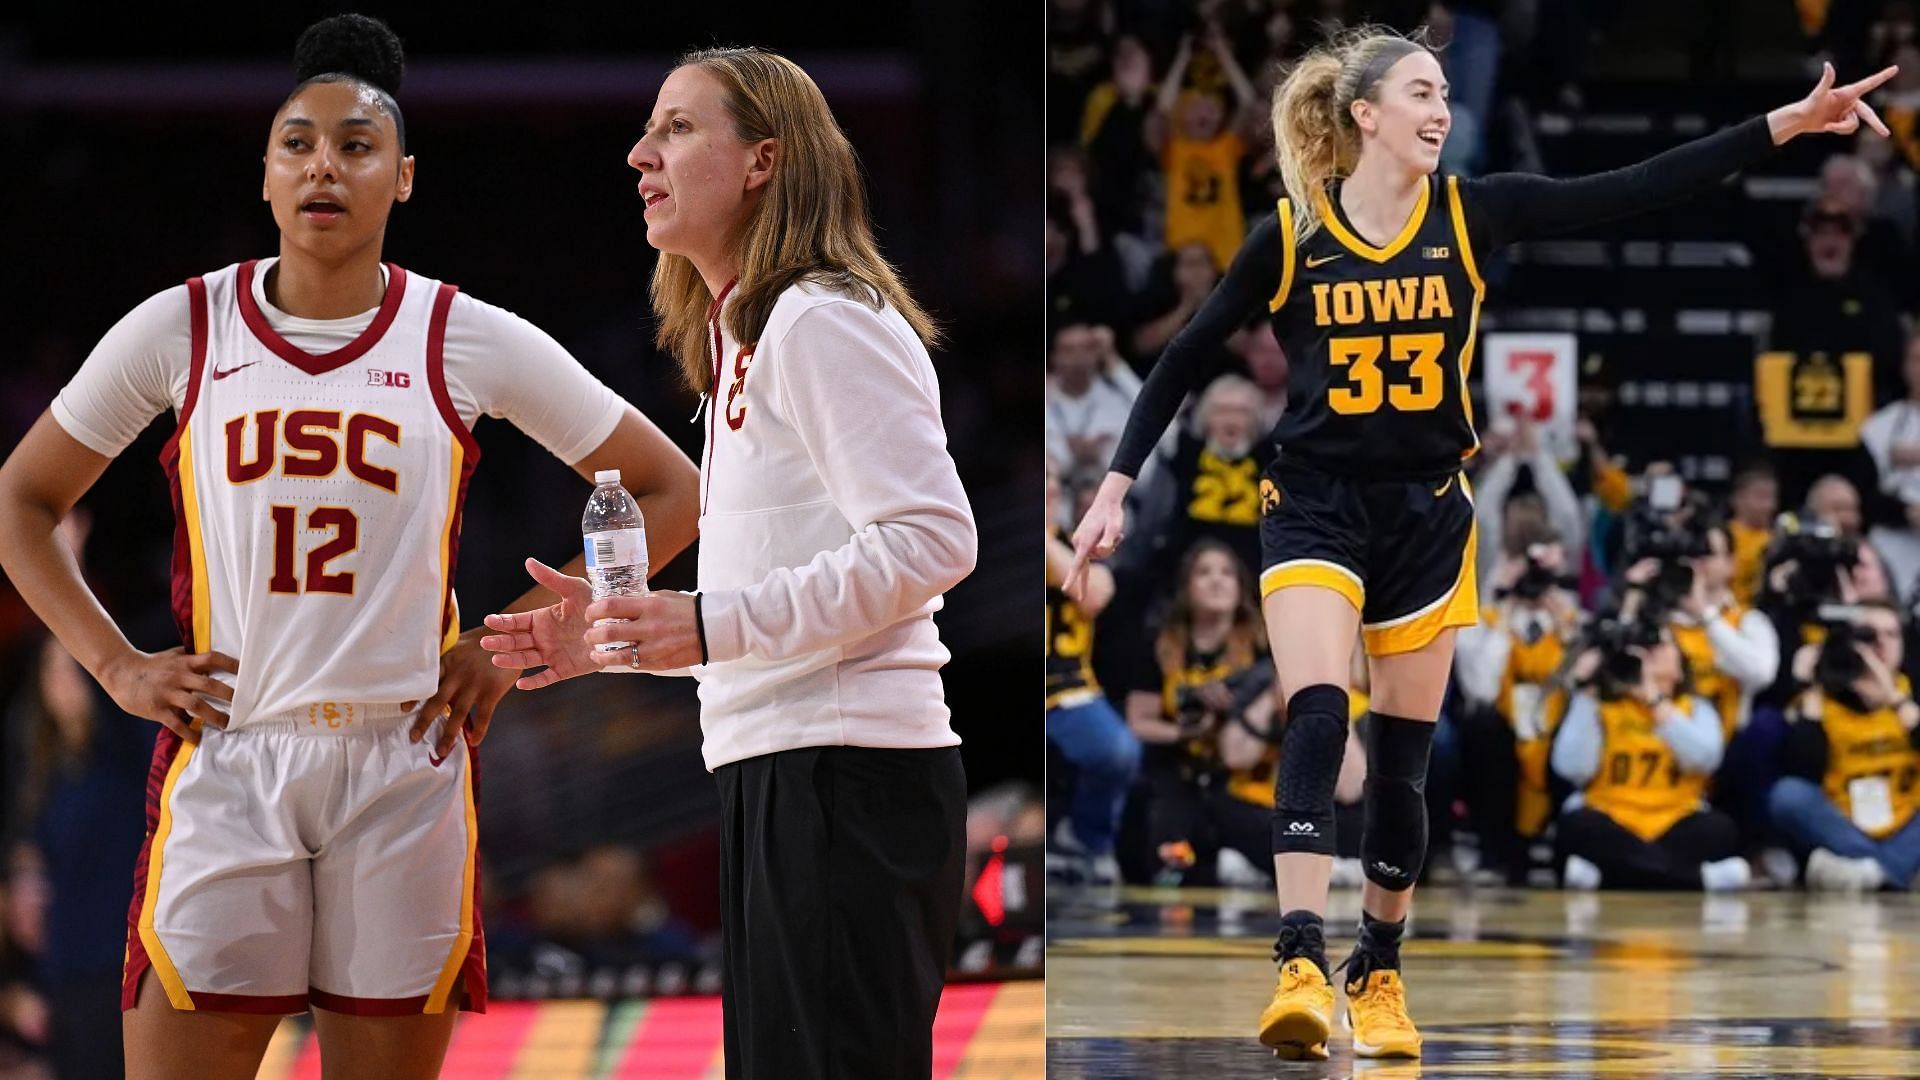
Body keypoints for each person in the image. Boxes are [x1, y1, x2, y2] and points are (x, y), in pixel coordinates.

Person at [1066, 23, 1896, 1060]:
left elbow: (1634, 184)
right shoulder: (1291, 234)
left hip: (1428, 511)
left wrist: (1787, 123)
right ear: (1364, 114)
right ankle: (1296, 958)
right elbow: (1185, 358)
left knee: (1407, 770)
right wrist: (1113, 488)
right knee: (1320, 712)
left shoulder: (1474, 211)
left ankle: (1380, 970)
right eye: (1420, 91)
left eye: (1447, 93)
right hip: (1316, 501)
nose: (1442, 108)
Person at [0, 16, 700, 1080]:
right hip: (234, 750)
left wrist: (521, 641)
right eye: (299, 143)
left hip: (401, 758)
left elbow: (671, 487)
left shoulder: (463, 333)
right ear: (268, 175)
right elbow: (23, 501)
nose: (325, 163)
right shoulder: (181, 328)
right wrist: (116, 665)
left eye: (358, 144)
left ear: (404, 178)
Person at [477, 47, 977, 1080]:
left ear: (762, 160)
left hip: (850, 779)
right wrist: (632, 639)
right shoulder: (742, 336)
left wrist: (708, 623)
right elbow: (769, 601)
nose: (639, 154)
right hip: (786, 771)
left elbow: (936, 539)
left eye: (675, 128)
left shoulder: (822, 316)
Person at [1550, 625, 1748, 892]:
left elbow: (1705, 759)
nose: (1649, 654)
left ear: (1680, 666)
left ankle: (1609, 876)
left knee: (1720, 830)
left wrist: (1654, 701)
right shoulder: (1602, 706)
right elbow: (1571, 767)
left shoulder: (1695, 708)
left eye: (1660, 645)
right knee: (1575, 825)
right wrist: (1586, 691)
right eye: (1641, 648)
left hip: (1675, 817)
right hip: (1612, 815)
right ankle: (1697, 880)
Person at [1770, 599, 1920, 890]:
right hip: (1844, 824)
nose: (1880, 644)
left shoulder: (1910, 690)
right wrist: (1808, 689)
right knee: (1787, 795)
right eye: (1869, 635)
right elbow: (1803, 769)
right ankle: (1887, 873)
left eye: (1891, 635)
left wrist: (1894, 698)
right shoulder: (1824, 695)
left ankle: (1868, 873)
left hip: (1906, 822)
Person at [1045, 462, 1140, 886]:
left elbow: (1093, 595)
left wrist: (1044, 539)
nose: (1045, 488)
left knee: (1117, 751)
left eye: (1051, 481)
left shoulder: (1076, 542)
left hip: (1066, 685)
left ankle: (1087, 840)